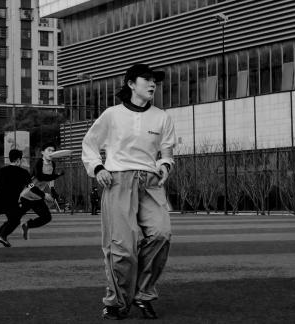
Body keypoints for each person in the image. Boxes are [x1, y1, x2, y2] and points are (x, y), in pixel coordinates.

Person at [81, 63, 176, 320]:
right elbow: (89, 143)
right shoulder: (112, 115)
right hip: (118, 181)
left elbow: (167, 152)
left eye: (154, 80)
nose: (152, 83)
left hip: (150, 182)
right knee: (122, 247)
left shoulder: (162, 117)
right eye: (146, 79)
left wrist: (165, 166)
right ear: (131, 84)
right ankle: (115, 302)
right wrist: (98, 167)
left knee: (161, 233)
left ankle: (142, 294)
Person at [0, 143, 63, 241]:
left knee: (47, 217)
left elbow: (50, 178)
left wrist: (52, 189)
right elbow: (40, 176)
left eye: (53, 150)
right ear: (42, 152)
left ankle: (27, 225)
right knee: (15, 218)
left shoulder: (52, 164)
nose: (52, 152)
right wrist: (57, 175)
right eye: (49, 150)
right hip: (27, 195)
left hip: (38, 197)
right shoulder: (39, 163)